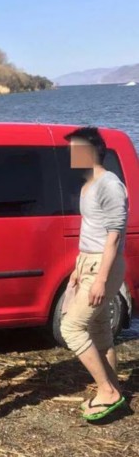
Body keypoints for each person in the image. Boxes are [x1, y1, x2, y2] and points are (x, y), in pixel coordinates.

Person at [60, 126, 128, 421]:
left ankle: (106, 391)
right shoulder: (89, 184)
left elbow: (114, 235)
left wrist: (100, 279)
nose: (70, 156)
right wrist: (77, 268)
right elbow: (90, 230)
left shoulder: (109, 184)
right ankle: (114, 390)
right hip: (87, 262)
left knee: (71, 328)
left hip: (103, 265)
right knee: (100, 330)